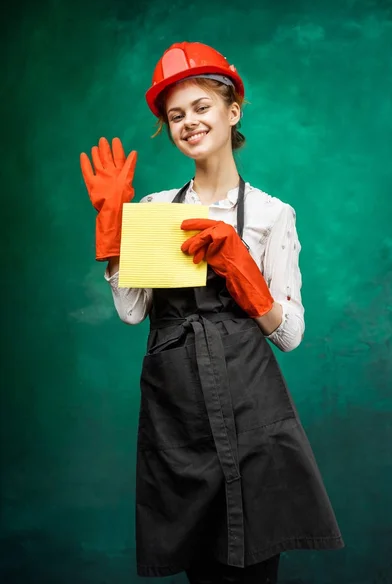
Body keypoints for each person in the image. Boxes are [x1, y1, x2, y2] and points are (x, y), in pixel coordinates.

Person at [80, 42, 344, 583]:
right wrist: (114, 231)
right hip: (180, 422)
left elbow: (290, 335)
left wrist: (243, 272)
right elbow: (133, 313)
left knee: (255, 563)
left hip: (253, 415)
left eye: (201, 107)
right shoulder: (156, 210)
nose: (188, 123)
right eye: (175, 115)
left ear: (232, 110)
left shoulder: (273, 214)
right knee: (202, 568)